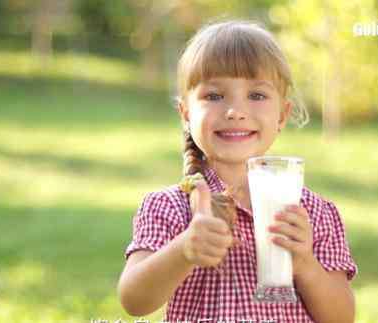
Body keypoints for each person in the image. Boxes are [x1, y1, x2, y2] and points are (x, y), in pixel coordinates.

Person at [118, 19, 358, 323]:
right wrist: (183, 251)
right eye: (214, 96)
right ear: (186, 113)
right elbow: (133, 300)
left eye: (256, 95)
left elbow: (342, 318)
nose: (235, 111)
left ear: (282, 115)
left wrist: (305, 264)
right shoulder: (169, 208)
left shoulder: (315, 214)